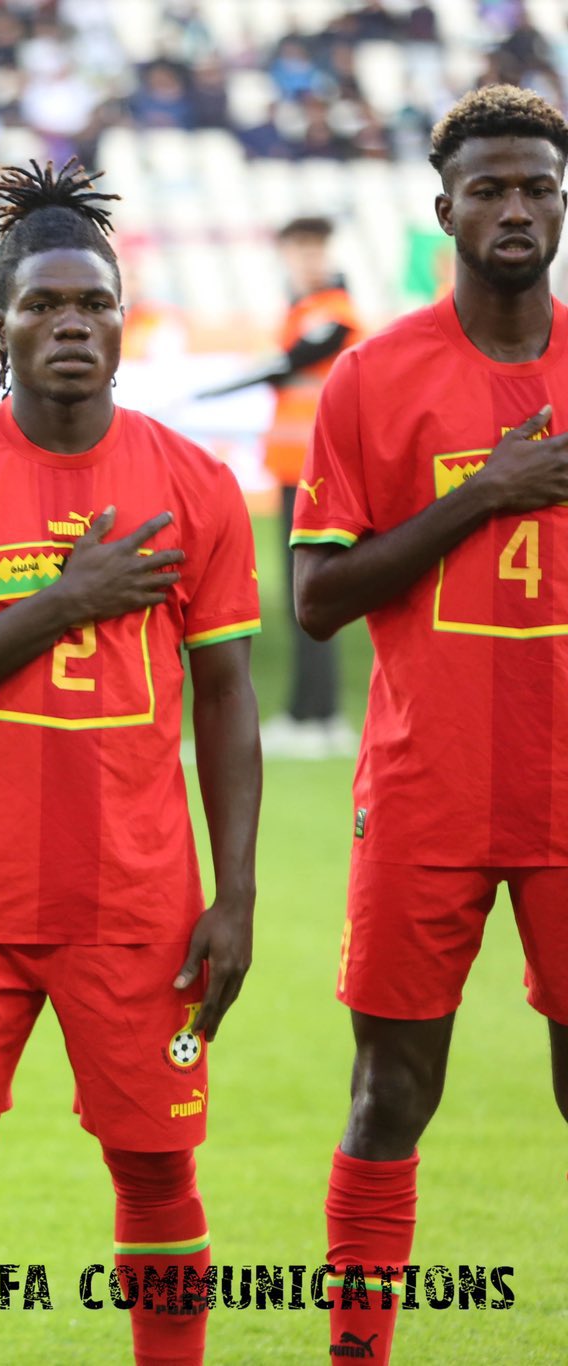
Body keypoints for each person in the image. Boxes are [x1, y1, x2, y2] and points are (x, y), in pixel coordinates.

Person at [0, 161, 261, 1366]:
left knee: (155, 1170)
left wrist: (232, 893)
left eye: (92, 304)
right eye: (41, 305)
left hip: (138, 900)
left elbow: (227, 698)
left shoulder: (193, 483)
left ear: (123, 321)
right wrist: (66, 599)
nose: (69, 325)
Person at [290, 85, 568, 1364]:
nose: (514, 209)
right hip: (426, 792)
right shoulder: (372, 378)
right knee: (389, 1091)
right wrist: (488, 491)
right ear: (441, 206)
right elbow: (316, 599)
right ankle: (359, 1346)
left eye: (536, 188)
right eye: (490, 189)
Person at [203, 215, 362, 758]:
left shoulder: (332, 311)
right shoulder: (299, 311)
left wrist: (224, 386)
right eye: (297, 250)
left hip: (319, 475)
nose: (306, 260)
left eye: (313, 249)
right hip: (295, 469)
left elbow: (291, 363)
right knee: (303, 597)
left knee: (312, 594)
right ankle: (309, 712)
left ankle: (317, 715)